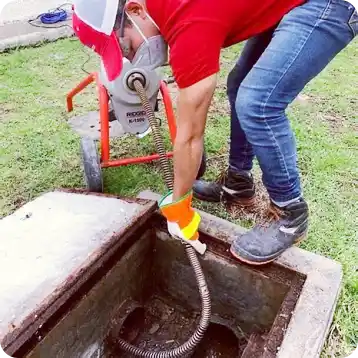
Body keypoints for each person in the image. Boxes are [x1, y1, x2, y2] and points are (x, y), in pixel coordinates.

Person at [72, 0, 357, 264]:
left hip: (329, 3)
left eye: (126, 48)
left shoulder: (186, 22)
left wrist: (179, 206)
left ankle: (290, 213)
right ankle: (238, 184)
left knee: (258, 102)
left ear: (135, 10)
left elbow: (191, 134)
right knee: (240, 85)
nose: (133, 58)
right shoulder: (169, 13)